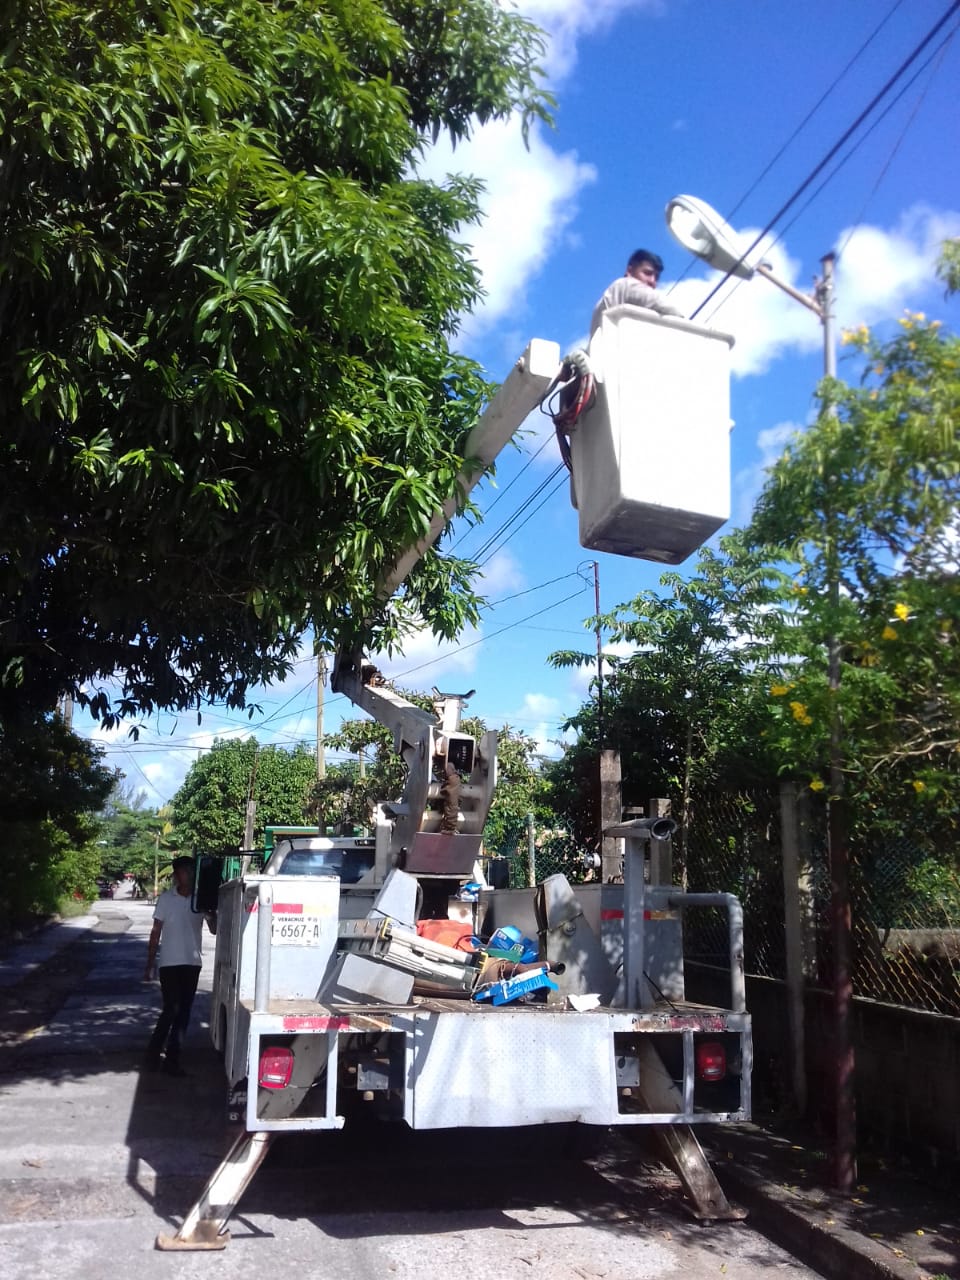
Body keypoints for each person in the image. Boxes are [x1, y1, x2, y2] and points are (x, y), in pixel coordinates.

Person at [143, 855, 216, 1076]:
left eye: (191, 871)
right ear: (176, 874)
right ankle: (153, 1053)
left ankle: (172, 1060)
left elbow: (213, 930)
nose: (188, 875)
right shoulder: (165, 899)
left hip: (192, 962)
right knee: (171, 1009)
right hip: (169, 963)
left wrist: (211, 913)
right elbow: (155, 932)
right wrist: (149, 964)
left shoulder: (199, 901)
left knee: (183, 1013)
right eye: (184, 871)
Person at [590, 248, 683, 333]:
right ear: (629, 271)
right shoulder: (624, 285)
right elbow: (665, 306)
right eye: (647, 273)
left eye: (657, 277)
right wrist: (688, 326)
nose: (652, 281)